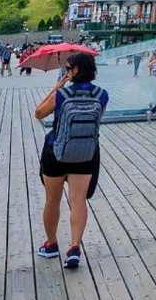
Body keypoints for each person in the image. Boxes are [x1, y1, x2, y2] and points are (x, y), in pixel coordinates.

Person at [34, 51, 108, 269]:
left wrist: (55, 89)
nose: (66, 71)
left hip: (56, 151)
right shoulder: (102, 94)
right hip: (86, 153)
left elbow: (39, 113)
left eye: (68, 68)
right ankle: (75, 247)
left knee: (52, 200)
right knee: (78, 201)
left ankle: (51, 244)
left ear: (75, 70)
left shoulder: (62, 95)